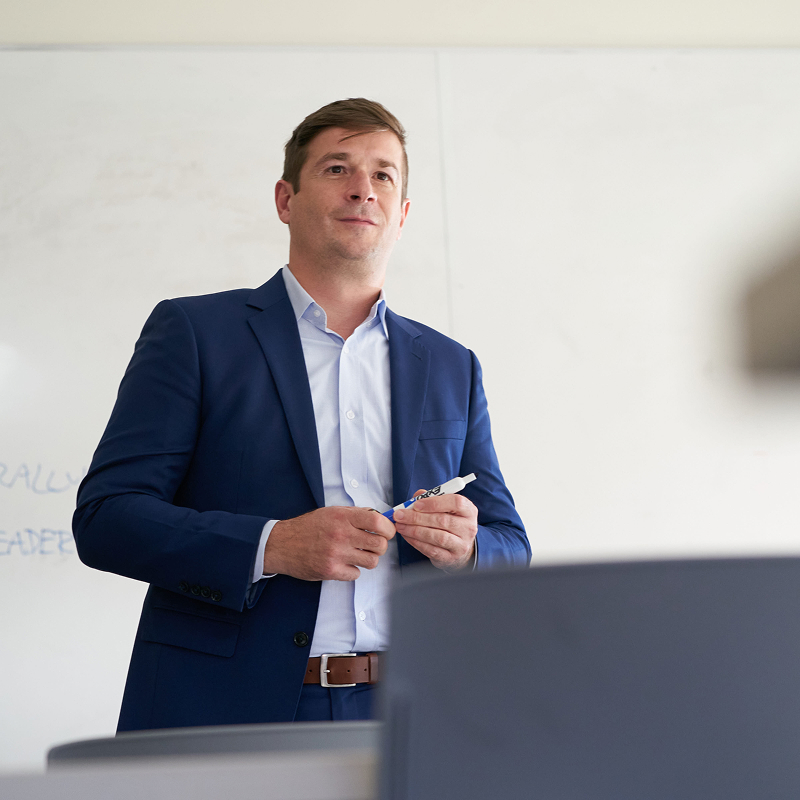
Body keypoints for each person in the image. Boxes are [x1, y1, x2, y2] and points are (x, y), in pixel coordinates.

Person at [73, 98, 530, 731]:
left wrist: (467, 549)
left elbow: (513, 545)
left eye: (383, 175)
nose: (362, 190)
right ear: (286, 200)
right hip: (226, 706)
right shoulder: (195, 333)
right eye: (337, 168)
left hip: (415, 710)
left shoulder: (453, 365)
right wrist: (273, 545)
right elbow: (106, 518)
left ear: (402, 214)